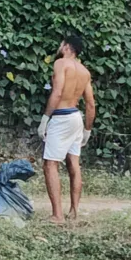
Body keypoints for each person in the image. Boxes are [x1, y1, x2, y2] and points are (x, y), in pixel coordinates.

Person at [37, 35, 96, 223]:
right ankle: (74, 211)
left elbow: (58, 91)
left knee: (50, 164)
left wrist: (45, 118)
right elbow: (90, 104)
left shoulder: (62, 63)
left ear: (66, 47)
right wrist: (87, 129)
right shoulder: (85, 71)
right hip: (76, 117)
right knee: (74, 164)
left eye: (61, 44)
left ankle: (57, 215)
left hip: (62, 117)